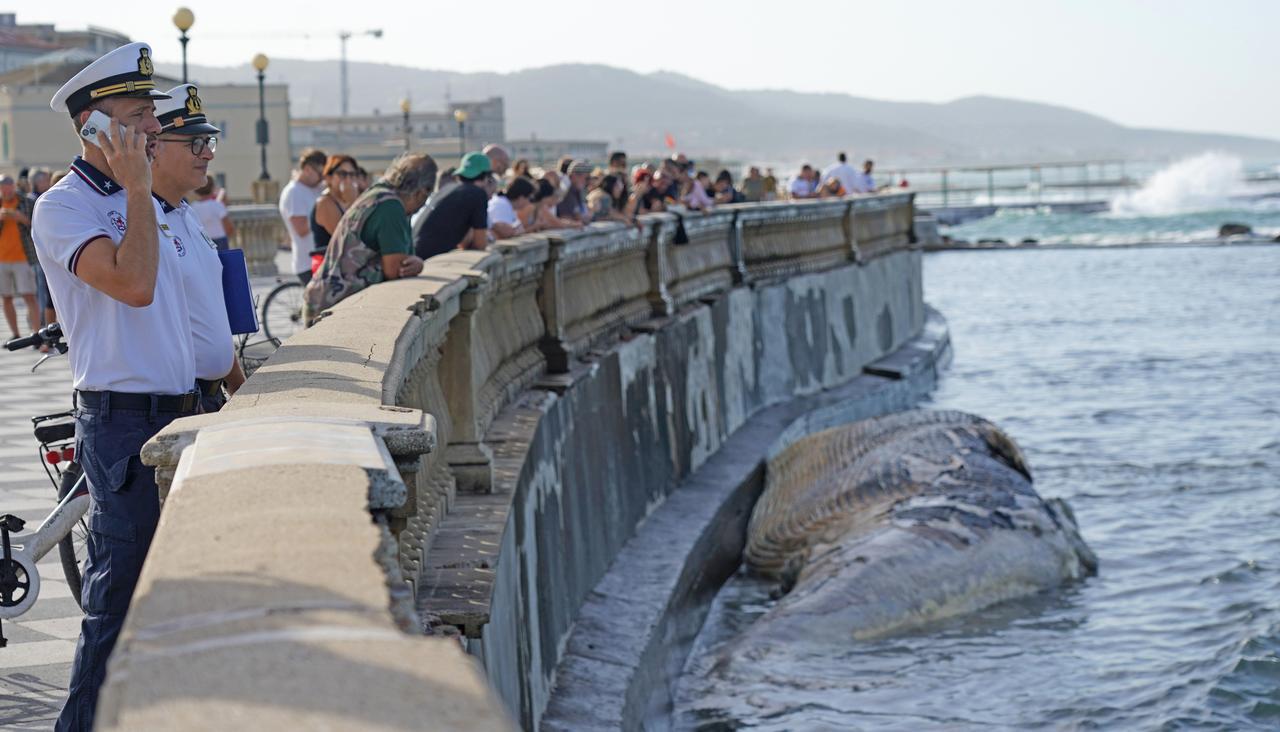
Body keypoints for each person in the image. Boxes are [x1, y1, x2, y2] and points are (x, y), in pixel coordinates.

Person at [33, 43, 199, 731]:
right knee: (116, 608)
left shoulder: (150, 205)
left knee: (176, 608)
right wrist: (136, 189)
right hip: (123, 426)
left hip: (180, 414)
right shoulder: (63, 208)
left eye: (152, 115)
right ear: (94, 128)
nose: (154, 130)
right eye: (138, 116)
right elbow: (133, 285)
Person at [151, 83, 245, 413]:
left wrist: (238, 386)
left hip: (210, 397)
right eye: (195, 144)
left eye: (208, 142)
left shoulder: (186, 213)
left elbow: (208, 314)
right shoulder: (141, 223)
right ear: (154, 147)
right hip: (175, 404)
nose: (208, 154)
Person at [304, 153, 432, 321]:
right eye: (343, 174)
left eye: (353, 174)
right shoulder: (390, 206)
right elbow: (396, 269)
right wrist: (417, 264)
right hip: (334, 306)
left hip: (330, 300)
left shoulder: (378, 194)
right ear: (421, 193)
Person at [414, 151, 491, 258]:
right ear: (486, 177)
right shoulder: (477, 194)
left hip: (414, 253)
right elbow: (480, 245)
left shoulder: (448, 189)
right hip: (427, 259)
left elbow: (463, 241)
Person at [278, 147, 326, 284]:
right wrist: (325, 213)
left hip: (320, 257)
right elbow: (301, 229)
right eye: (321, 174)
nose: (323, 178)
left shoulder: (317, 188)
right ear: (307, 169)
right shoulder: (294, 192)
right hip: (308, 262)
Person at [0, 174, 38, 339]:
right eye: (2, 188)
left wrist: (21, 218)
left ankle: (36, 333)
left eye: (8, 187)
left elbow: (38, 225)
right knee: (6, 297)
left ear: (13, 186)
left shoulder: (26, 202)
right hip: (2, 259)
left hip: (23, 257)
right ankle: (15, 333)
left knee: (29, 295)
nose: (5, 191)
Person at [310, 155, 362, 267]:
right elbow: (346, 238)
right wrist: (353, 203)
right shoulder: (325, 203)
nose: (348, 179)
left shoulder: (344, 201)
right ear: (329, 178)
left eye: (352, 174)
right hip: (328, 268)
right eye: (342, 174)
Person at [27, 168, 57, 330]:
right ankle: (41, 328)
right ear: (38, 182)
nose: (49, 181)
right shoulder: (36, 200)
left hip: (44, 252)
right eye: (47, 179)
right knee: (42, 293)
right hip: (38, 253)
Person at [188, 176, 235, 251]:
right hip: (220, 240)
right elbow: (229, 228)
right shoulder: (217, 205)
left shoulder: (193, 207)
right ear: (212, 187)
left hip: (202, 241)